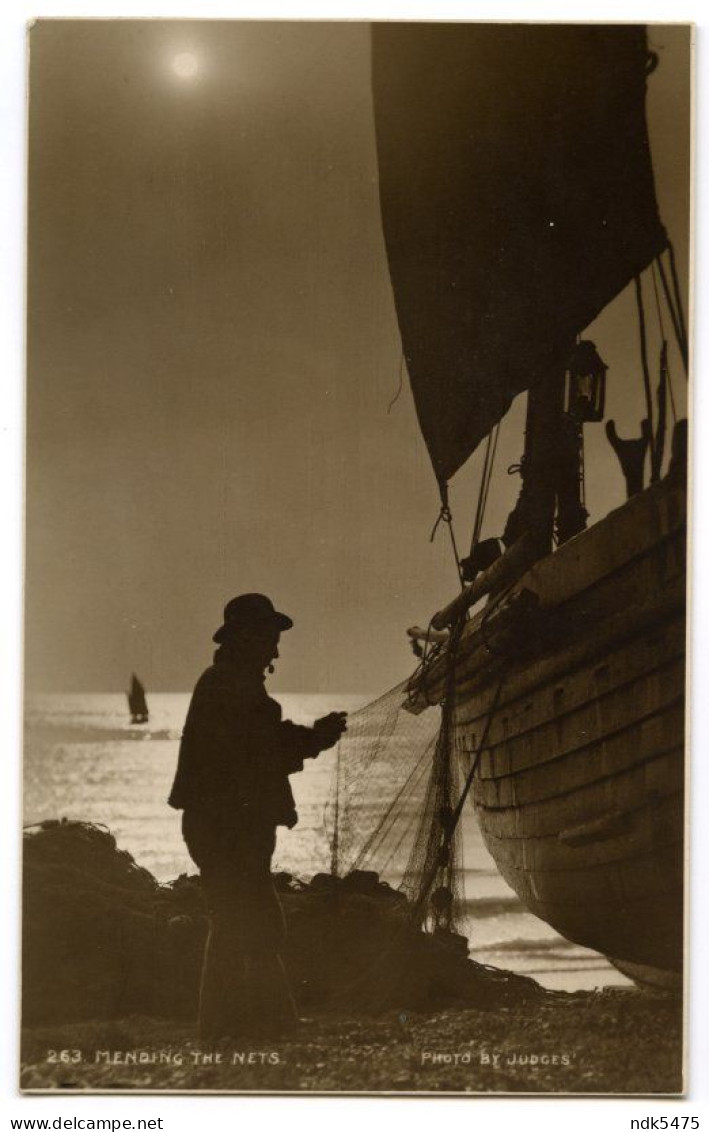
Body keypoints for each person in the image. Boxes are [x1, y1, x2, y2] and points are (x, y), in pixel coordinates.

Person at [168, 593, 347, 1040]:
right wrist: (316, 738)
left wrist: (313, 737)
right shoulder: (230, 685)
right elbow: (263, 748)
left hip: (224, 824)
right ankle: (231, 1028)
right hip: (224, 826)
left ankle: (258, 1023)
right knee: (244, 920)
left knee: (248, 919)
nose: (275, 649)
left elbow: (262, 743)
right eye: (269, 638)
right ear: (246, 637)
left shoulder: (232, 682)